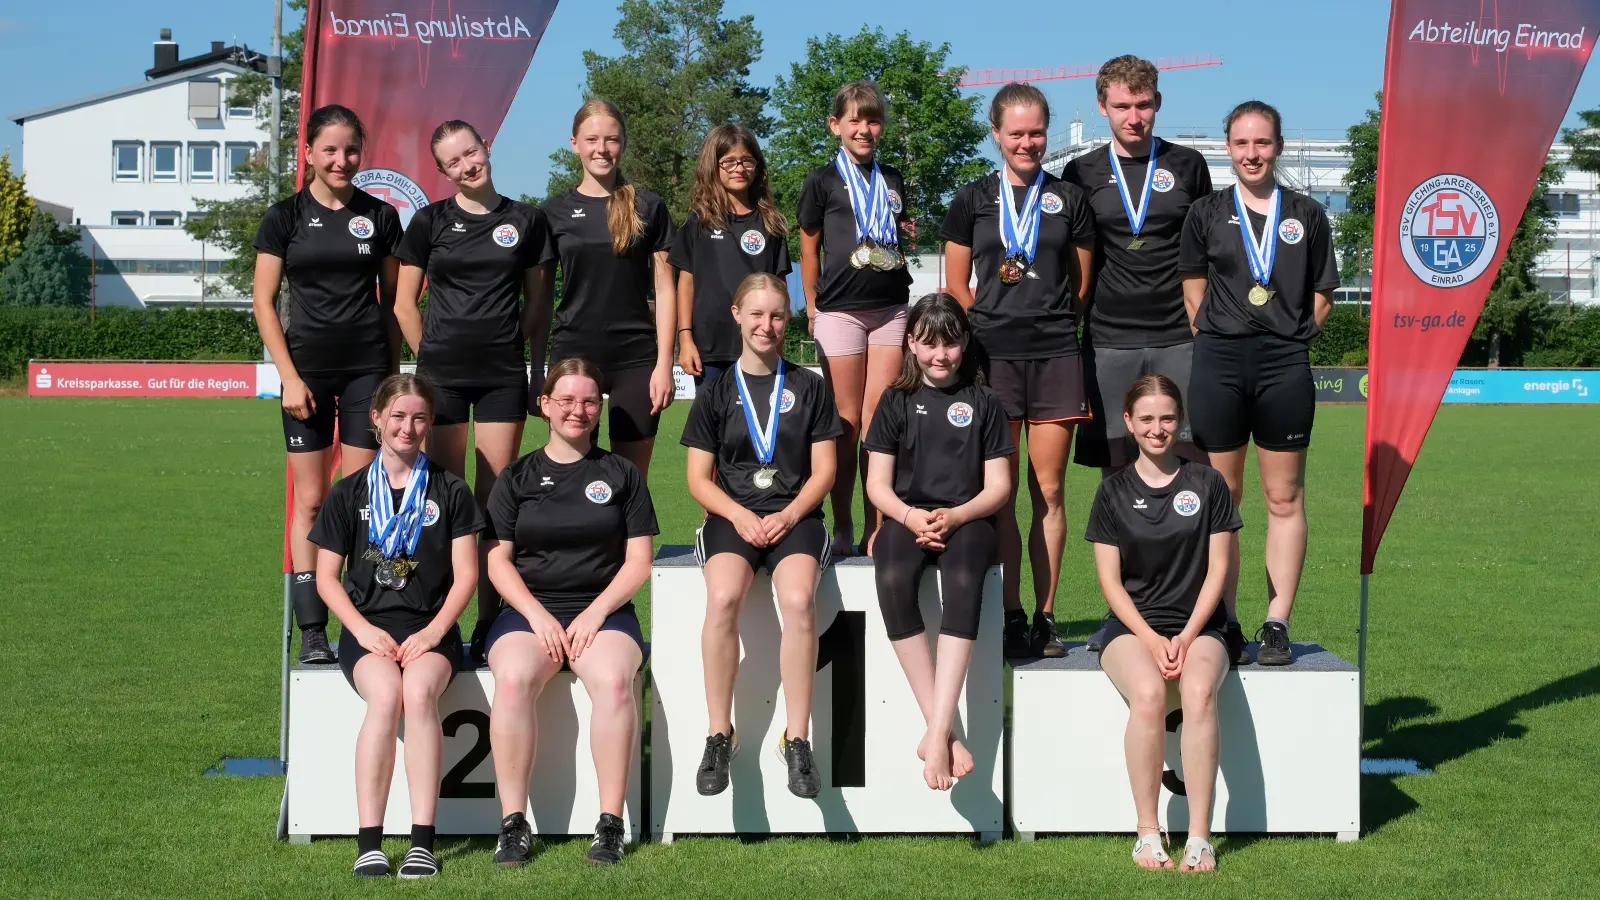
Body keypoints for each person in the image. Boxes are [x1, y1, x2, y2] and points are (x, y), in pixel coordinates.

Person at [1063, 56, 1216, 656]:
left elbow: (1209, 247)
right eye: (1123, 105)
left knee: (1191, 470)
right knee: (1119, 481)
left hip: (1179, 336)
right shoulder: (1080, 171)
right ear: (1102, 107)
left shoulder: (1188, 165)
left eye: (1144, 104)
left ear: (1158, 104)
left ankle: (1197, 610)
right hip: (1108, 339)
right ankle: (1126, 613)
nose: (1134, 116)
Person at [1178, 101, 1338, 666]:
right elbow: (1192, 288)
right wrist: (1216, 333)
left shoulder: (1307, 214)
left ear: (1279, 146)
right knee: (1223, 499)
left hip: (1283, 367)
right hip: (1219, 364)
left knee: (1284, 497)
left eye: (1263, 143)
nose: (1252, 154)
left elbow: (1323, 293)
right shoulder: (1205, 212)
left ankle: (1276, 622)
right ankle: (1223, 619)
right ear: (1228, 148)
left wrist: (1290, 338)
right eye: (1242, 143)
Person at [940, 83, 1097, 659]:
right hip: (991, 358)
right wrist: (985, 329)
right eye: (1016, 133)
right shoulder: (972, 199)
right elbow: (956, 287)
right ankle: (1009, 614)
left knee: (1049, 491)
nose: (1027, 143)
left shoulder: (1069, 198)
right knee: (1000, 493)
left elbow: (1081, 284)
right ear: (996, 135)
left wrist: (1047, 319)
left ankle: (1046, 616)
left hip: (1055, 354)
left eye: (1036, 133)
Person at [394, 119, 556, 666]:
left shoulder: (526, 220)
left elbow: (538, 307)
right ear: (443, 172)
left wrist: (533, 368)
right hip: (441, 379)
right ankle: (438, 624)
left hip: (501, 376)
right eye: (454, 162)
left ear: (486, 147)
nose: (468, 165)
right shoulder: (429, 221)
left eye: (472, 152)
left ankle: (491, 621)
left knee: (492, 500)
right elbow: (403, 303)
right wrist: (429, 359)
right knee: (443, 500)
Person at [307, 374, 483, 879]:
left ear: (430, 423)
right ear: (377, 419)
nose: (408, 427)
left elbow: (467, 576)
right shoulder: (348, 492)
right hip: (369, 632)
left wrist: (434, 633)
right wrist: (361, 630)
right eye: (399, 416)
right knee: (386, 696)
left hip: (432, 629)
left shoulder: (451, 489)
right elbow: (326, 578)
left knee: (419, 694)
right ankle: (370, 843)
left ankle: (422, 842)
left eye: (419, 417)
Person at [483, 358, 657, 867]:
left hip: (604, 612)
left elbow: (639, 561)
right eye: (566, 400)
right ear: (545, 405)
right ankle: (512, 824)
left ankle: (610, 824)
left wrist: (596, 614)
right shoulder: (516, 476)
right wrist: (536, 615)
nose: (577, 410)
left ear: (599, 408)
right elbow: (497, 560)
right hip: (528, 612)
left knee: (616, 684)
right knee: (512, 681)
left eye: (588, 401)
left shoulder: (621, 473)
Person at [682, 273, 841, 799]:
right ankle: (718, 734)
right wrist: (739, 516)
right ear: (736, 315)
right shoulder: (715, 391)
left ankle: (797, 738)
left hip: (796, 517)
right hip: (733, 517)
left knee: (798, 601)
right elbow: (697, 479)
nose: (766, 325)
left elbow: (825, 471)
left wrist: (790, 515)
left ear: (786, 319)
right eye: (756, 314)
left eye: (776, 315)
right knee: (724, 596)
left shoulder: (809, 386)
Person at [253, 104, 403, 665]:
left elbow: (393, 303)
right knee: (313, 501)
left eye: (352, 149)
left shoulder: (381, 215)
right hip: (306, 375)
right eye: (331, 149)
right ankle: (313, 627)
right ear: (309, 153)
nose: (342, 160)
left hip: (367, 371)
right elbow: (263, 301)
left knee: (362, 498)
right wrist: (288, 377)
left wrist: (392, 378)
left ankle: (361, 620)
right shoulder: (284, 217)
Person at [1087, 374, 1239, 873]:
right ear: (1128, 422)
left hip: (1202, 626)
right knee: (1150, 694)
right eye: (1147, 419)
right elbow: (1110, 582)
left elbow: (1218, 569)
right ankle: (1148, 834)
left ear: (1181, 421)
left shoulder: (1209, 483)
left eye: (1168, 418)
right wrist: (1152, 639)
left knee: (1198, 691)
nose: (1158, 429)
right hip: (1132, 628)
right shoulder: (1111, 491)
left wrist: (1188, 635)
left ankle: (1199, 838)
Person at [863, 294, 1013, 790]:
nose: (940, 355)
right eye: (928, 344)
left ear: (965, 342)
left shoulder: (984, 402)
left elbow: (999, 487)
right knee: (891, 574)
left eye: (950, 343)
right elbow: (877, 484)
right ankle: (943, 733)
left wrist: (957, 515)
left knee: (966, 578)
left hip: (967, 519)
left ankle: (936, 731)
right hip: (907, 518)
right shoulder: (894, 401)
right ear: (910, 343)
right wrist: (909, 517)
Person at [798, 80, 913, 557]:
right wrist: (811, 305)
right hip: (840, 310)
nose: (864, 129)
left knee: (879, 421)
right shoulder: (821, 180)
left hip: (891, 308)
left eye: (873, 120)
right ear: (835, 125)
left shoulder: (894, 178)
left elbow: (896, 234)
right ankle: (843, 523)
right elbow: (809, 248)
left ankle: (877, 525)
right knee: (845, 423)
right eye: (854, 120)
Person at [538, 100, 677, 477]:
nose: (602, 149)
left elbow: (666, 290)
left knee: (630, 479)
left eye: (611, 140)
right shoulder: (552, 211)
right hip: (572, 354)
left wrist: (665, 363)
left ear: (623, 144)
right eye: (592, 140)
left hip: (636, 358)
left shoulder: (649, 206)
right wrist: (537, 367)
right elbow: (540, 299)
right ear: (575, 144)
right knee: (571, 474)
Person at [672, 124, 793, 388]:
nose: (739, 168)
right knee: (712, 415)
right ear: (712, 166)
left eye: (747, 160)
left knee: (758, 414)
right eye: (729, 161)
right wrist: (685, 338)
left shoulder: (771, 223)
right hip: (709, 351)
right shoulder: (698, 222)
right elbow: (686, 284)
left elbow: (780, 287)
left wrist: (779, 342)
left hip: (760, 344)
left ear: (757, 166)